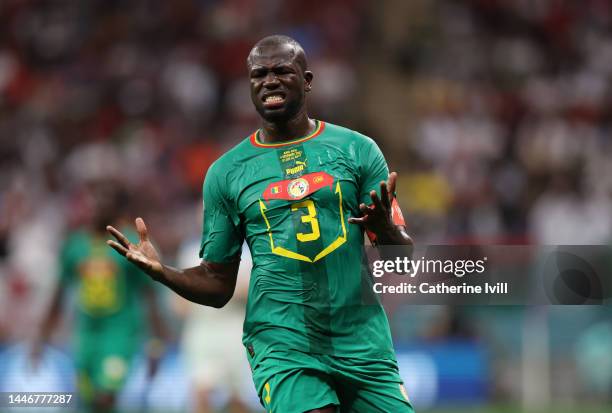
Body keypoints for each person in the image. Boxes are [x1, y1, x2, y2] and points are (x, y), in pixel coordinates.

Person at [107, 35, 415, 413]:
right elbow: (218, 285)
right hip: (283, 343)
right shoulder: (226, 173)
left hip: (362, 339)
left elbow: (401, 260)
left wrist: (385, 229)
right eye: (259, 74)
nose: (269, 80)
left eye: (282, 70)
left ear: (308, 80)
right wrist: (163, 272)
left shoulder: (357, 150)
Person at [33, 179, 168, 413]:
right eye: (93, 200)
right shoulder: (75, 246)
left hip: (119, 335)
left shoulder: (129, 245)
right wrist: (40, 337)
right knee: (89, 402)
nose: (96, 206)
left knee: (107, 395)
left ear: (117, 207)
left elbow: (150, 295)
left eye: (104, 201)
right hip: (85, 336)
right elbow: (59, 293)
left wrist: (156, 343)